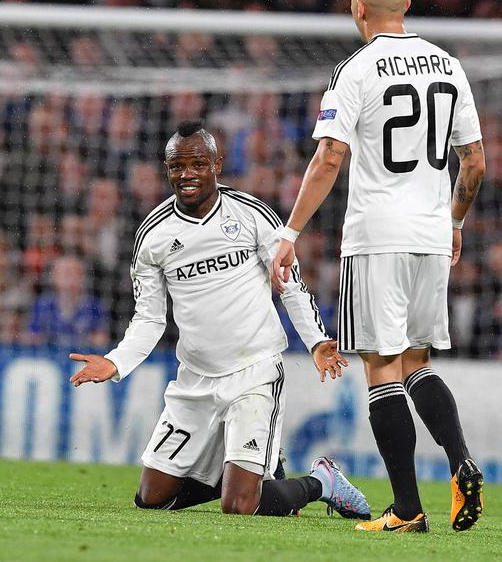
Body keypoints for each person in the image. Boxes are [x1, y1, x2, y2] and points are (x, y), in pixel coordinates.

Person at [271, 0, 486, 534]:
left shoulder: (356, 70)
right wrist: (455, 221)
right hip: (432, 235)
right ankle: (461, 457)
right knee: (418, 361)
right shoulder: (450, 65)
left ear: (357, 9)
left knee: (382, 369)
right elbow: (476, 163)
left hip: (377, 237)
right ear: (408, 3)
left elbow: (330, 157)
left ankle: (407, 509)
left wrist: (289, 232)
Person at [70, 122, 370, 520]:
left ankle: (321, 481)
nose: (187, 174)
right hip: (195, 380)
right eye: (178, 166)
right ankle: (257, 473)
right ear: (167, 169)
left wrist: (315, 342)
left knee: (239, 506)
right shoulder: (153, 236)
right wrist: (116, 362)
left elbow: (291, 286)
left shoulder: (252, 215)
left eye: (198, 164)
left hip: (254, 371)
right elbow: (149, 319)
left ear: (217, 164)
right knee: (151, 499)